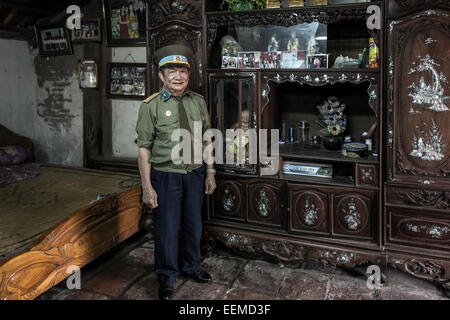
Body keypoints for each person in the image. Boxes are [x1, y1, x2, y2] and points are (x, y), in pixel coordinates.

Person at [136, 44, 216, 300]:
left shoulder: (198, 102)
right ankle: (167, 278)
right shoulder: (151, 106)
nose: (178, 76)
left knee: (194, 225)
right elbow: (144, 149)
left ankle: (191, 267)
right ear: (161, 76)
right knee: (167, 229)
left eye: (183, 70)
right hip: (166, 175)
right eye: (171, 71)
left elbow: (207, 139)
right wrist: (147, 187)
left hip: (195, 174)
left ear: (189, 74)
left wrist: (211, 171)